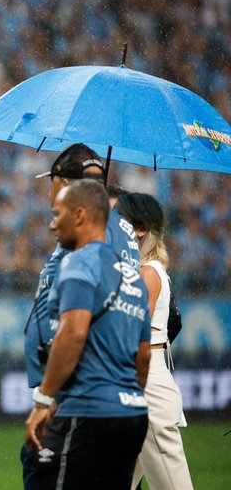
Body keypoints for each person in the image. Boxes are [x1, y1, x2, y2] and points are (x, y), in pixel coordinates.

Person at [21, 144, 140, 489]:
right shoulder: (102, 229)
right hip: (91, 390)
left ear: (65, 183)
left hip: (79, 390)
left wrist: (53, 394)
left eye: (52, 181)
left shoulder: (96, 236)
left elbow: (83, 324)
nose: (48, 191)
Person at [114, 193, 194, 490]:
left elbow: (129, 334)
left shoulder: (147, 273)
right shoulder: (141, 270)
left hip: (146, 387)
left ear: (140, 229)